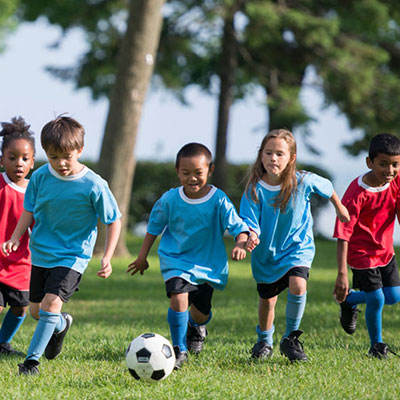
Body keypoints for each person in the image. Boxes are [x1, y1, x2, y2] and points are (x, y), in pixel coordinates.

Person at [2, 116, 121, 375]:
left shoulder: (94, 184)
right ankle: (60, 325)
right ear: (46, 153)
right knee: (36, 310)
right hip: (42, 254)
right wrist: (14, 237)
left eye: (67, 156)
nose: (61, 163)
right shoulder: (41, 177)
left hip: (72, 256)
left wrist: (108, 257)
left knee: (50, 304)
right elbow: (28, 211)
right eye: (54, 157)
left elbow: (114, 221)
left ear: (79, 150)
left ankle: (31, 362)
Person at [127, 143, 249, 369]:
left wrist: (241, 242)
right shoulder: (169, 200)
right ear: (177, 171)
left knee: (201, 313)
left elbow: (238, 226)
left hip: (207, 264)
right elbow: (153, 227)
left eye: (198, 173)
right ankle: (179, 349)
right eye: (186, 173)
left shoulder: (218, 199)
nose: (192, 178)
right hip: (176, 259)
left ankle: (197, 327)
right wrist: (142, 256)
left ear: (210, 171)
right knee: (178, 298)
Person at [240, 128, 350, 362]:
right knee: (267, 302)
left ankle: (290, 338)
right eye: (268, 153)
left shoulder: (303, 180)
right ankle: (264, 341)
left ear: (291, 158)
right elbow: (250, 220)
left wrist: (339, 207)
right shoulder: (254, 189)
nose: (273, 158)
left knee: (298, 285)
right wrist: (252, 235)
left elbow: (328, 187)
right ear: (261, 155)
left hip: (297, 248)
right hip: (266, 253)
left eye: (280, 154)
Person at [333, 133, 400, 359]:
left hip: (385, 251)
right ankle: (376, 346)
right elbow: (343, 234)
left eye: (395, 164)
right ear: (369, 162)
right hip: (361, 254)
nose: (390, 170)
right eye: (383, 164)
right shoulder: (356, 194)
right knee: (377, 298)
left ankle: (349, 300)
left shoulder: (396, 182)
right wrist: (342, 272)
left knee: (393, 296)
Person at [0, 117, 35, 356]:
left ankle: (3, 343)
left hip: (22, 263)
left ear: (32, 162)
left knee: (21, 307)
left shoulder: (36, 191)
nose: (18, 164)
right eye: (12, 158)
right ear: (2, 159)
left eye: (24, 159)